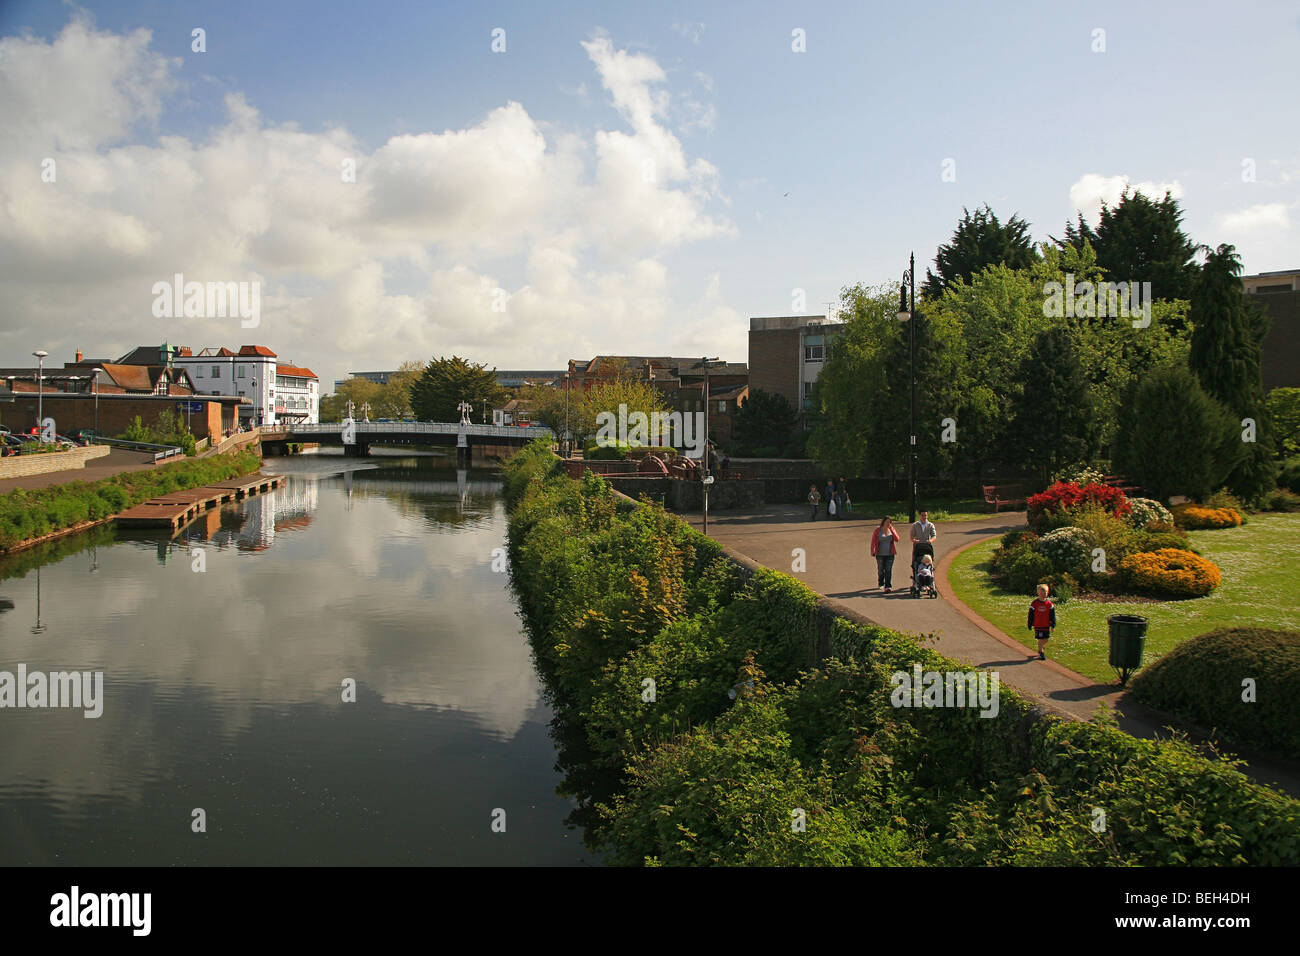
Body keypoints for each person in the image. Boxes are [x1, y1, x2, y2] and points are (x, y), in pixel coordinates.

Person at [1027, 583, 1056, 660]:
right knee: (1040, 639)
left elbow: (1052, 616)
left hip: (1046, 625)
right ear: (1038, 593)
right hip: (1038, 625)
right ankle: (1041, 652)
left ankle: (1041, 648)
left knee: (1046, 639)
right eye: (1042, 592)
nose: (1044, 594)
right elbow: (1030, 615)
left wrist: (1053, 625)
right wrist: (1029, 624)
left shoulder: (1049, 604)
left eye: (1046, 592)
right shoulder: (1034, 603)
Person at [870, 517, 900, 591]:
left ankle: (888, 586)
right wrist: (872, 550)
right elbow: (873, 541)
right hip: (880, 554)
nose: (888, 524)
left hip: (890, 554)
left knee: (888, 570)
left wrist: (892, 530)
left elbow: (897, 539)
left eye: (889, 522)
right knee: (881, 570)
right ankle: (881, 583)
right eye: (887, 522)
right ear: (883, 522)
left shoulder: (892, 530)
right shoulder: (878, 530)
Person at [910, 509, 937, 577]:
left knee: (928, 561)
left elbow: (934, 536)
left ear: (927, 516)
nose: (924, 517)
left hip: (927, 546)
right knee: (915, 563)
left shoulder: (930, 525)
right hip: (917, 546)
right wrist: (914, 540)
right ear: (920, 516)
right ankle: (915, 579)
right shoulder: (915, 525)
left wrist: (930, 540)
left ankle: (929, 576)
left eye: (925, 515)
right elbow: (911, 536)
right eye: (922, 515)